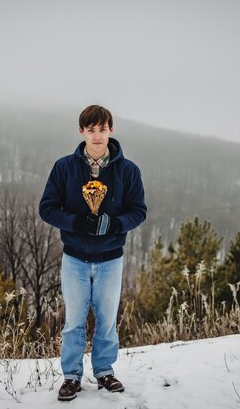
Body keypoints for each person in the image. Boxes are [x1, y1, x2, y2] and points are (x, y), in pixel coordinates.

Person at [39, 105, 147, 401]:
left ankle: (104, 372)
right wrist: (75, 221)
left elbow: (139, 211)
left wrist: (114, 223)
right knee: (74, 321)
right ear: (81, 131)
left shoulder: (128, 170)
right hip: (74, 257)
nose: (97, 136)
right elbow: (46, 208)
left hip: (111, 258)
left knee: (107, 320)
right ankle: (72, 376)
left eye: (102, 129)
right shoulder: (64, 167)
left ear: (111, 129)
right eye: (91, 130)